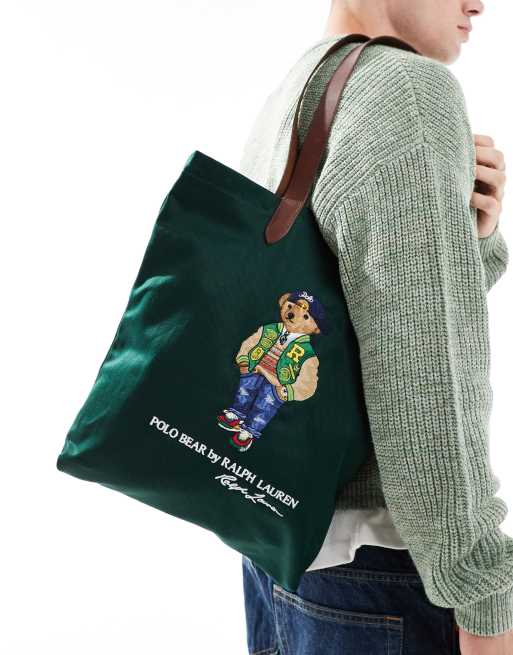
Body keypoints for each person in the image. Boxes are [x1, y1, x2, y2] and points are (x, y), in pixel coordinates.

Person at [238, 1, 512, 653]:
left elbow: (369, 312)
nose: (479, 3)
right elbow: (424, 383)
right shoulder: (407, 90)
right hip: (384, 580)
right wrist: (484, 599)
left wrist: (467, 238)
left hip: (279, 548)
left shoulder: (301, 84)